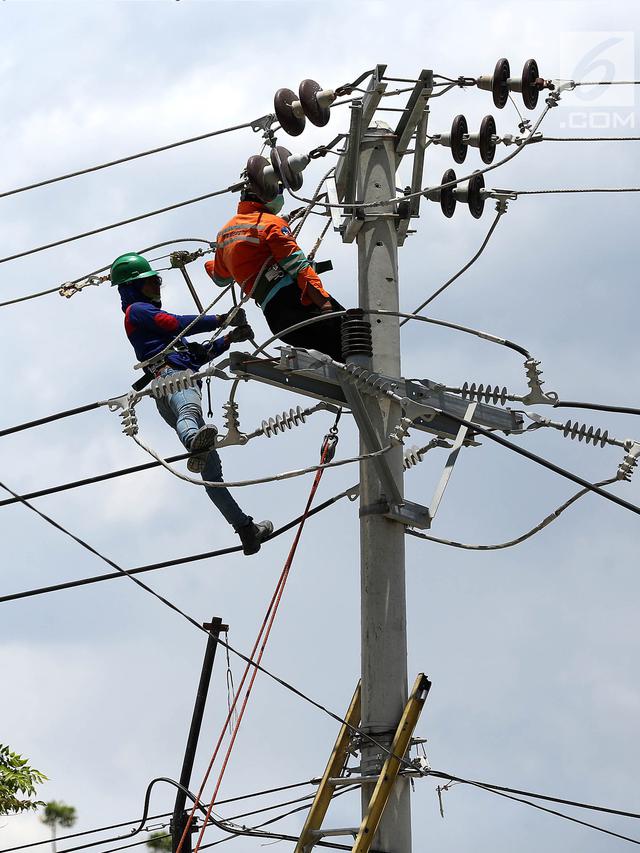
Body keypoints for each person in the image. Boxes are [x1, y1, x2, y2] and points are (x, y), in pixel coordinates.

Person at [111, 252, 273, 556]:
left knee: (213, 478)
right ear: (133, 287)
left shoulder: (161, 336)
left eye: (157, 280)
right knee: (190, 412)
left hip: (169, 378)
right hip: (172, 378)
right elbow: (172, 322)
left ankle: (245, 530)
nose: (156, 286)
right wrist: (220, 319)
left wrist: (229, 338)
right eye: (150, 282)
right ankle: (193, 442)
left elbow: (196, 356)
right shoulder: (137, 311)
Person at [206, 185, 345, 361]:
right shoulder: (271, 223)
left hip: (277, 321)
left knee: (342, 370)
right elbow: (298, 267)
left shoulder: (224, 235)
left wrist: (212, 262)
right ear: (267, 196)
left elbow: (220, 278)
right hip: (299, 306)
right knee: (360, 339)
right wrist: (324, 305)